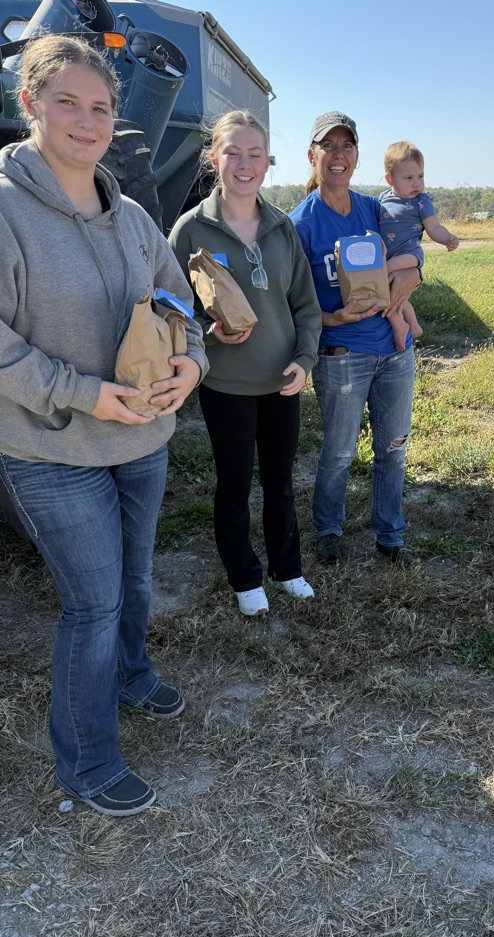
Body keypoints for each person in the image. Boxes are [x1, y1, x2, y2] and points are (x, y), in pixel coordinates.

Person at [0, 36, 207, 816]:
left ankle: (130, 675)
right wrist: (86, 395)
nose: (87, 122)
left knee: (135, 579)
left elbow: (177, 301)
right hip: (51, 447)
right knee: (92, 602)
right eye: (68, 103)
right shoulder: (5, 211)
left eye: (101, 107)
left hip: (143, 439)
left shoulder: (130, 216)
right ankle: (85, 761)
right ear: (31, 105)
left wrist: (190, 364)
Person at [170, 110, 321, 616]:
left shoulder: (282, 227)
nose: (244, 163)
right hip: (228, 385)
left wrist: (304, 360)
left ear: (268, 162)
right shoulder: (191, 230)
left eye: (255, 154)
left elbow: (305, 305)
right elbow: (172, 314)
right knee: (234, 484)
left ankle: (288, 567)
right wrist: (209, 337)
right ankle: (244, 576)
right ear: (214, 159)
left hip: (282, 381)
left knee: (280, 481)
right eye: (233, 151)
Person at [290, 112, 421, 567]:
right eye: (329, 146)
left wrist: (415, 274)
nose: (339, 154)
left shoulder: (374, 209)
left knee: (394, 449)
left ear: (358, 155)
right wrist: (335, 318)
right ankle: (328, 529)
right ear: (313, 155)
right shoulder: (300, 224)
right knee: (340, 451)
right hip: (341, 354)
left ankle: (390, 535)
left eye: (347, 146)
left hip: (394, 352)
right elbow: (294, 308)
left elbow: (409, 249)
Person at [379, 141, 459, 349]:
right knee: (390, 294)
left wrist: (447, 238)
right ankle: (411, 326)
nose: (417, 183)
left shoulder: (422, 202)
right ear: (390, 179)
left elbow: (433, 227)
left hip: (410, 255)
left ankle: (401, 328)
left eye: (420, 176)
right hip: (390, 255)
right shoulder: (383, 199)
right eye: (408, 178)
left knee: (380, 279)